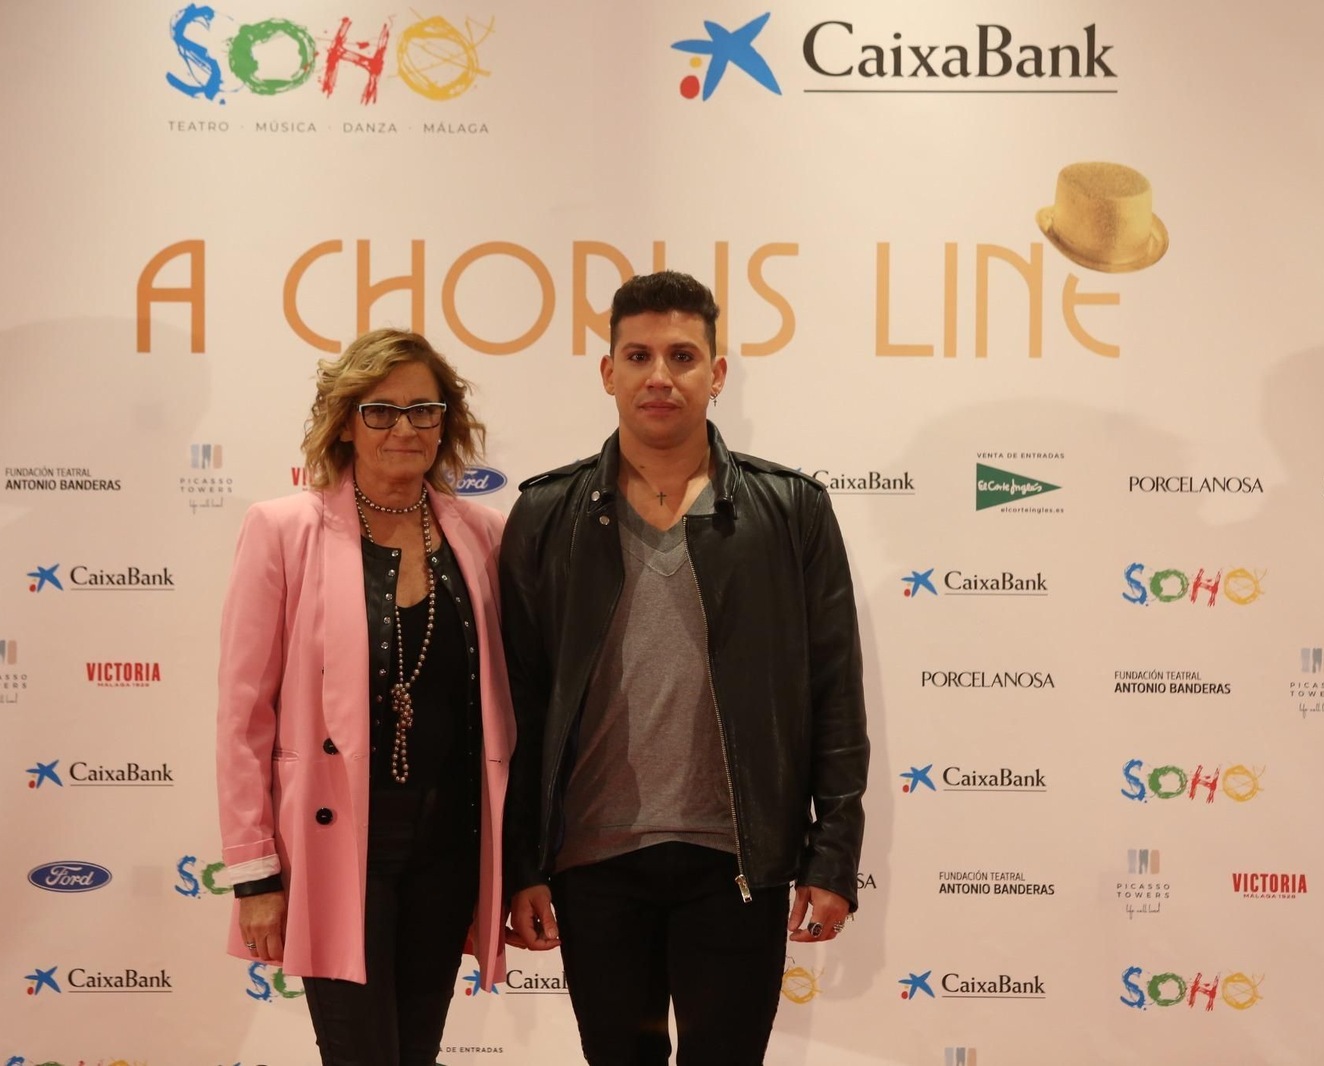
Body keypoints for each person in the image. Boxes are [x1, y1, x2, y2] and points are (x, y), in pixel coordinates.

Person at [500, 271, 870, 1064]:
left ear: (717, 372)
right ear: (608, 372)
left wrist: (831, 852)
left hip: (738, 858)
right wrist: (521, 864)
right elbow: (520, 703)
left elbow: (834, 690)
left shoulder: (791, 510)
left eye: (682, 355)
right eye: (637, 355)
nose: (659, 375)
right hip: (592, 862)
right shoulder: (544, 515)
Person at [216, 328, 514, 1065]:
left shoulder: (483, 535)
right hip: (336, 848)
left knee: (416, 1054)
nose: (404, 428)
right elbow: (242, 718)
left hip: (449, 850)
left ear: (447, 423)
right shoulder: (282, 531)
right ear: (346, 422)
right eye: (380, 411)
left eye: (424, 409)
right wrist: (255, 874)